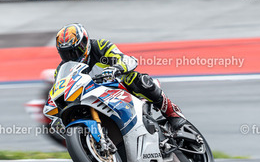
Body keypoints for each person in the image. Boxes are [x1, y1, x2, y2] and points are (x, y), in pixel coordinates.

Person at [54, 23, 187, 130]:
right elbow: (60, 93)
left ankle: (171, 111)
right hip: (91, 100)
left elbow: (127, 60)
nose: (72, 56)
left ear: (85, 42)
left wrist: (116, 68)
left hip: (115, 87)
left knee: (135, 78)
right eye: (66, 53)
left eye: (76, 51)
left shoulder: (99, 47)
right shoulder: (62, 70)